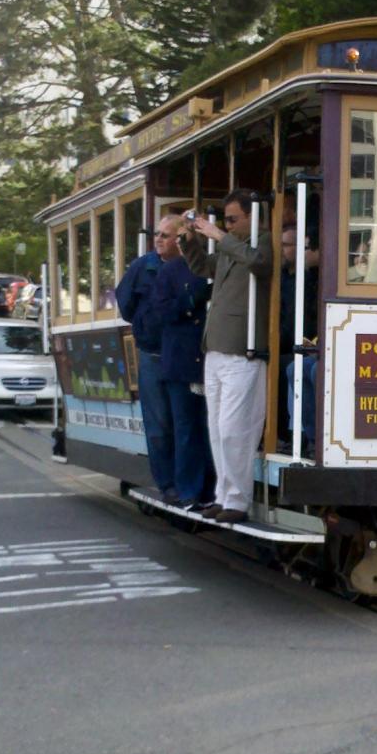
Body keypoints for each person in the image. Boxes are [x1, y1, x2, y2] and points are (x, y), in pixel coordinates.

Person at [178, 190, 273, 523]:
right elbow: (204, 266)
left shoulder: (263, 242)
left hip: (242, 349)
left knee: (236, 429)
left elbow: (261, 263)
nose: (228, 225)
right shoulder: (234, 247)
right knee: (217, 429)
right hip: (216, 347)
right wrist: (188, 239)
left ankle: (238, 500)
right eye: (226, 221)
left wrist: (218, 235)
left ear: (253, 216)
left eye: (233, 219)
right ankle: (224, 494)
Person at [115, 214, 211, 506]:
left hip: (185, 355)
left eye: (166, 235)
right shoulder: (144, 266)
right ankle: (167, 484)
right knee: (158, 427)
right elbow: (126, 304)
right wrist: (148, 327)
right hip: (153, 355)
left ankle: (191, 486)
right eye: (157, 233)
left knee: (186, 424)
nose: (159, 239)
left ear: (182, 239)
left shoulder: (198, 267)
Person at [279, 216, 320, 454]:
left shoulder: (315, 279)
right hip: (299, 344)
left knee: (296, 366)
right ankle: (297, 436)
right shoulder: (288, 278)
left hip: (310, 346)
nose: (283, 250)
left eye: (289, 245)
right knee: (290, 366)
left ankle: (305, 437)